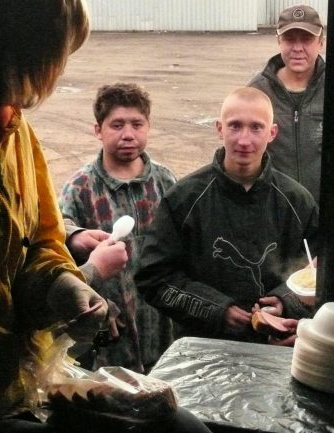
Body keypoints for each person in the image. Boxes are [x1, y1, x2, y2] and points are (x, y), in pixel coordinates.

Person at [0, 2, 209, 433]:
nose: (19, 101)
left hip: (21, 380)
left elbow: (39, 238)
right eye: (18, 75)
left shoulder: (13, 129)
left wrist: (60, 282)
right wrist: (85, 276)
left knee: (179, 425)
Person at [134, 87, 318, 345]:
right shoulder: (184, 199)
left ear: (272, 133)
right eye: (235, 126)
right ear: (219, 129)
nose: (244, 140)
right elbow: (153, 278)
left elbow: (319, 271)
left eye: (256, 127)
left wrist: (285, 302)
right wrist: (216, 310)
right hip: (201, 347)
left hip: (277, 348)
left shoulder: (297, 202)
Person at [58, 82, 176, 373]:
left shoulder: (166, 183)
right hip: (109, 336)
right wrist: (99, 303)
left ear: (148, 126)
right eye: (117, 125)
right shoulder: (79, 188)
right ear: (98, 130)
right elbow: (59, 255)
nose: (128, 134)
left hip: (162, 331)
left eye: (137, 124)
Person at [248, 4, 326, 202]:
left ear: (321, 42)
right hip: (274, 209)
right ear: (278, 41)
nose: (297, 48)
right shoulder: (257, 92)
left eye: (307, 39)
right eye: (289, 39)